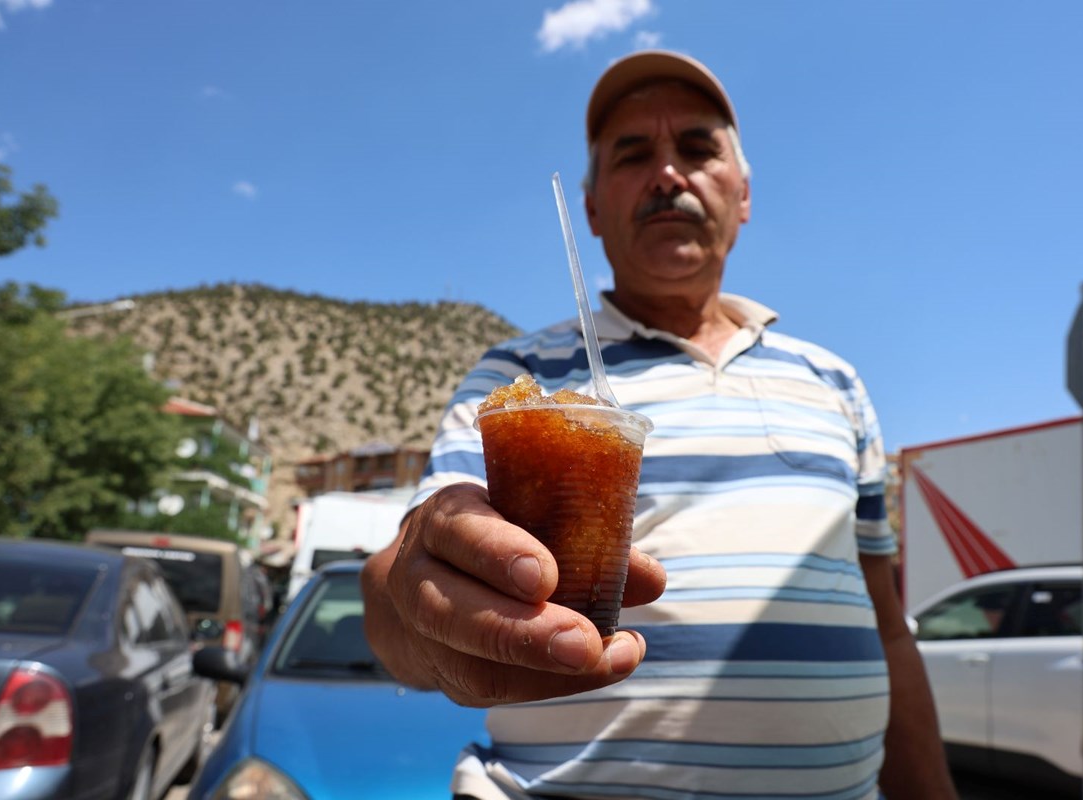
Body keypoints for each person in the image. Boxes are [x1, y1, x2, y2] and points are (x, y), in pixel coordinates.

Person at [362, 50, 958, 800]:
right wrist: (414, 602)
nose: (669, 175)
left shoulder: (834, 381)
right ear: (591, 212)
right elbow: (400, 579)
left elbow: (888, 627)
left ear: (743, 195)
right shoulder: (519, 380)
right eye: (633, 155)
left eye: (699, 149)